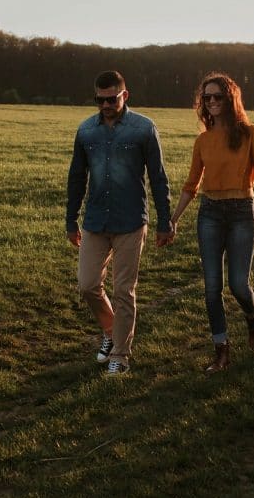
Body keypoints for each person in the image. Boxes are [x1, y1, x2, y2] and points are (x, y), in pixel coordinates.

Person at [169, 72, 254, 374]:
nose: (212, 102)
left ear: (230, 99)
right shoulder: (203, 140)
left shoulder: (250, 133)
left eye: (218, 96)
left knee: (238, 284)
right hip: (210, 213)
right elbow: (192, 183)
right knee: (211, 288)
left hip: (242, 211)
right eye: (207, 97)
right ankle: (221, 351)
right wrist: (173, 219)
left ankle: (252, 316)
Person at [67, 70, 174, 375]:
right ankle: (111, 332)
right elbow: (77, 177)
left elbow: (158, 178)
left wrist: (165, 221)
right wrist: (70, 219)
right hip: (95, 220)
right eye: (99, 100)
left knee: (123, 290)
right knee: (87, 285)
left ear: (124, 95)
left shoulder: (143, 129)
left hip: (130, 221)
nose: (104, 105)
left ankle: (121, 355)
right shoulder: (86, 130)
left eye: (111, 99)